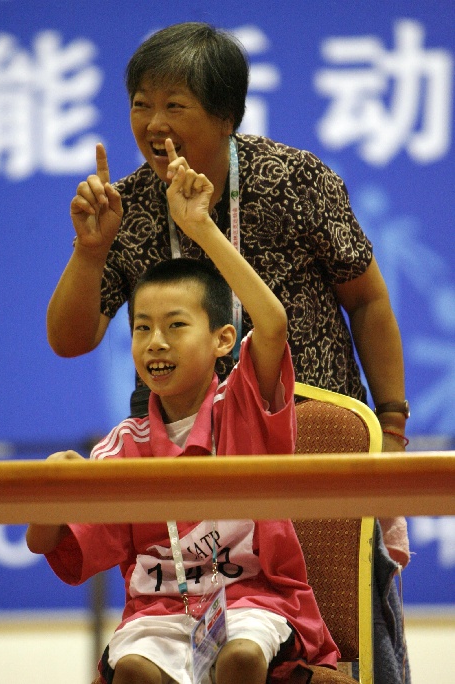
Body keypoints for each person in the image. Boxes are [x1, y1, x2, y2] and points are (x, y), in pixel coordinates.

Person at [45, 22, 410, 682]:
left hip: (307, 444)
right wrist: (90, 250)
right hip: (179, 453)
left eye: (174, 105)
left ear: (225, 115)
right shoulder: (125, 204)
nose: (152, 122)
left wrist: (391, 423)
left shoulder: (296, 179)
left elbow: (370, 300)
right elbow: (72, 341)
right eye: (140, 103)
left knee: (345, 626)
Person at [27, 159, 339, 684]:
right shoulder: (123, 445)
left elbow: (274, 322)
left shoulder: (244, 403)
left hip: (252, 602)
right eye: (142, 328)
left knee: (239, 658)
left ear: (222, 340)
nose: (156, 343)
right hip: (161, 616)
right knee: (131, 670)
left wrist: (201, 227)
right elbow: (45, 543)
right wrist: (47, 497)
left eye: (176, 326)